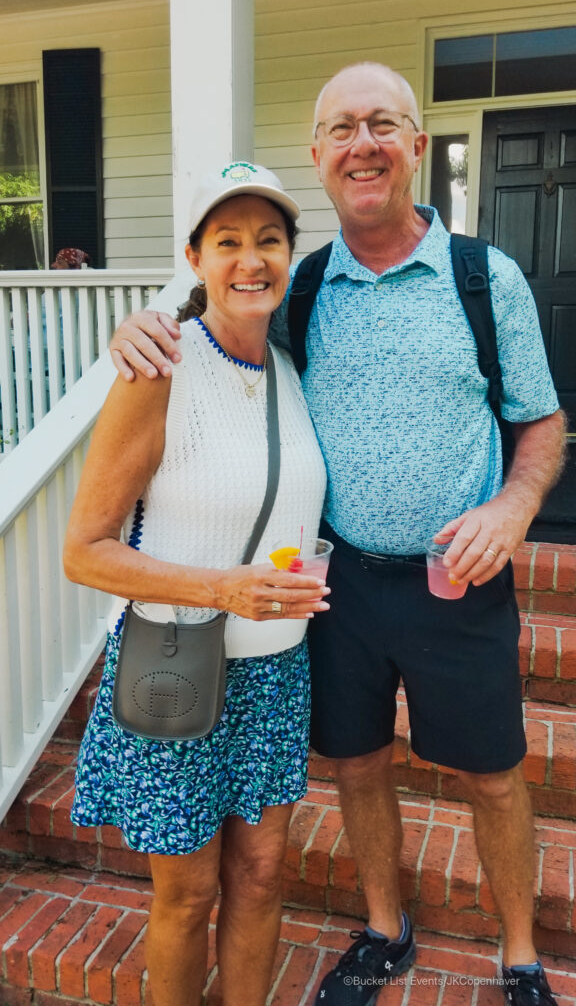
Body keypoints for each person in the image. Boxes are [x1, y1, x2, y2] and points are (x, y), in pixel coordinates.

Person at [108, 64, 566, 1006]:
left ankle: (521, 956)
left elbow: (541, 421)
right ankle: (385, 931)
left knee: (491, 775)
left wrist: (513, 510)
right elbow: (223, 320)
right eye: (343, 129)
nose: (364, 144)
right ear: (319, 156)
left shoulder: (485, 279)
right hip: (340, 582)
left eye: (383, 124)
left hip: (455, 575)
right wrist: (142, 325)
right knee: (356, 765)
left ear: (417, 144)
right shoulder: (305, 286)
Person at [63, 162, 329, 1006]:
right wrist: (222, 590)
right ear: (195, 257)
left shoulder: (292, 368)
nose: (250, 260)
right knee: (186, 895)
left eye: (269, 241)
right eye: (227, 242)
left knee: (261, 876)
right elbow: (84, 551)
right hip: (176, 664)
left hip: (276, 672)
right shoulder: (158, 370)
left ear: (289, 256)